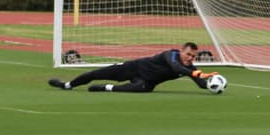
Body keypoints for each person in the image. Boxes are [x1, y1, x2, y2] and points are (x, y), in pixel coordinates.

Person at [47, 42, 218, 93]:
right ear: (181, 51)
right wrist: (195, 73)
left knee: (142, 88)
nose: (190, 58)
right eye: (188, 54)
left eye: (193, 56)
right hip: (134, 68)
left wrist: (211, 83)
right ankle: (67, 85)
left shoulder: (190, 67)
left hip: (146, 82)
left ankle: (106, 88)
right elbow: (176, 68)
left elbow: (201, 84)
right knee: (96, 73)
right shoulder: (171, 55)